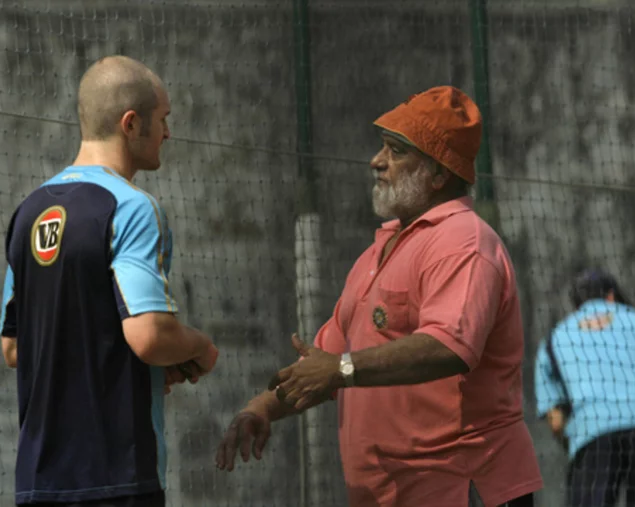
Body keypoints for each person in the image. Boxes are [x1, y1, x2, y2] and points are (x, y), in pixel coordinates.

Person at [215, 86, 543, 506]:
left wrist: (342, 369)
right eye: (382, 147)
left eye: (396, 151)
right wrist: (262, 407)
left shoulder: (463, 241)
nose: (376, 161)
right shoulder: (380, 250)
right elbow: (324, 361)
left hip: (462, 489)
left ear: (439, 173)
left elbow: (449, 346)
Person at [0, 55, 219, 507]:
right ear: (131, 123)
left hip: (38, 481)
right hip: (117, 476)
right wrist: (199, 347)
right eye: (163, 120)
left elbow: (15, 347)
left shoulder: (28, 212)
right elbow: (150, 336)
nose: (169, 134)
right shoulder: (132, 207)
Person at [535, 268, 635, 507]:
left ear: (577, 304)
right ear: (611, 296)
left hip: (592, 434)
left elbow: (556, 420)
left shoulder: (553, 340)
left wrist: (577, 444)